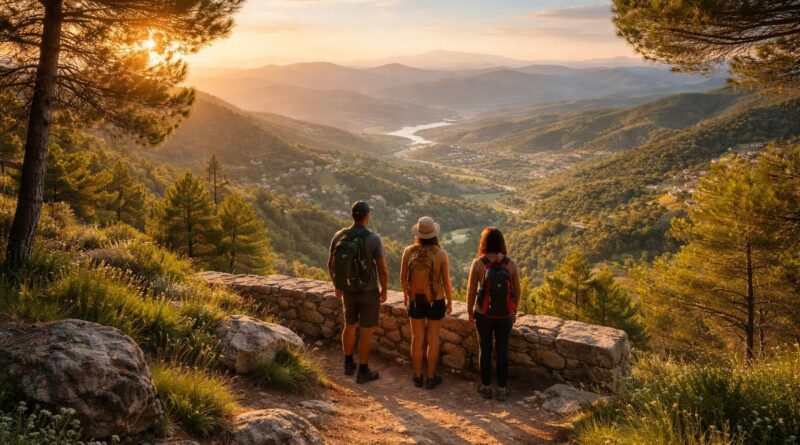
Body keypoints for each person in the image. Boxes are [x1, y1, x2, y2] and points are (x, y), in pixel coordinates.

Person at [328, 201, 388, 384]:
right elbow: (382, 269)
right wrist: (384, 289)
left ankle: (348, 364)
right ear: (367, 216)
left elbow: (331, 263)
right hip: (368, 290)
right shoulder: (373, 239)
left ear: (352, 215)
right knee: (366, 330)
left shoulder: (339, 235)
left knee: (350, 325)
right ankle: (363, 371)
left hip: (348, 289)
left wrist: (337, 284)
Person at [466, 227, 520, 401]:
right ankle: (502, 389)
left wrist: (469, 311)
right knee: (502, 350)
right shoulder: (510, 263)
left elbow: (471, 290)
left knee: (485, 349)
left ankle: (486, 387)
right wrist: (514, 310)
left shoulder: (478, 263)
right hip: (505, 316)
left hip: (483, 314)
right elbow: (518, 290)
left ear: (484, 243)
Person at [400, 216, 453, 389]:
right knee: (433, 338)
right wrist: (450, 301)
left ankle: (417, 376)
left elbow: (403, 278)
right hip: (435, 300)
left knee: (417, 338)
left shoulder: (409, 251)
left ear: (418, 233)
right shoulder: (441, 253)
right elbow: (446, 282)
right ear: (434, 234)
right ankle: (431, 378)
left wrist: (407, 296)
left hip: (416, 300)